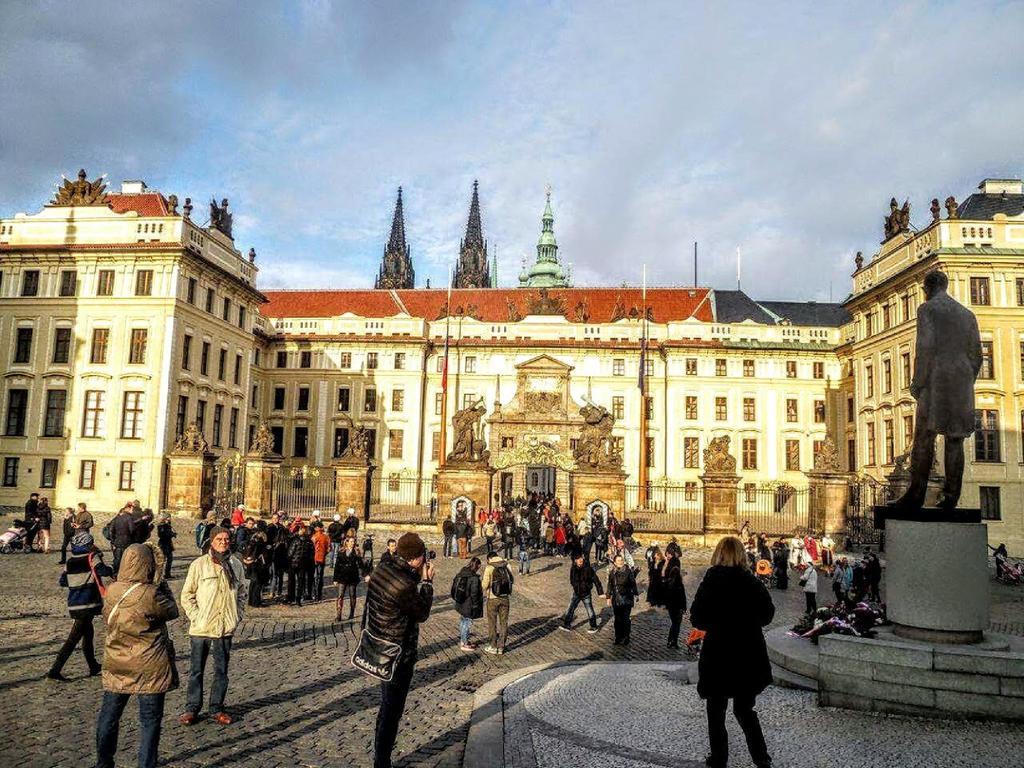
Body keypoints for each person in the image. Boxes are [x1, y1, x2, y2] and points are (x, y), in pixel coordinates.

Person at [689, 536, 774, 768]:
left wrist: (717, 622)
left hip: (719, 654)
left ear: (719, 554)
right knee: (745, 709)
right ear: (741, 556)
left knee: (716, 711)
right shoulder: (751, 582)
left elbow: (697, 617)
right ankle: (761, 758)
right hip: (748, 654)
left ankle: (719, 759)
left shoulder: (711, 581)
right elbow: (768, 615)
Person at [96, 544, 179, 768]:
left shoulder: (112, 590)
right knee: (149, 721)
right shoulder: (151, 594)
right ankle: (146, 764)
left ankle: (103, 762)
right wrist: (161, 581)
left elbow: (106, 617)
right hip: (149, 664)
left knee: (109, 716)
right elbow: (172, 610)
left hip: (117, 661)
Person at [365, 532, 434, 768]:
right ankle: (381, 762)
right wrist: (426, 583)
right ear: (415, 559)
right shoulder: (405, 585)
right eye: (422, 557)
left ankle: (379, 757)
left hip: (379, 645)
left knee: (386, 706)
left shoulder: (383, 569)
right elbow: (422, 613)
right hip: (397, 654)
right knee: (392, 711)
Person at [179, 526, 245, 726]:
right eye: (219, 539)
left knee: (221, 671)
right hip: (201, 628)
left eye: (226, 539)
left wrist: (237, 616)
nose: (224, 542)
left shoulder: (236, 565)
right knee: (196, 670)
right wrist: (196, 617)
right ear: (211, 541)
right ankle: (192, 708)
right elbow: (186, 595)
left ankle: (216, 707)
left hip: (224, 627)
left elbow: (242, 593)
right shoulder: (199, 565)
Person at [48, 532, 112, 680]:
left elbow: (63, 582)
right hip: (87, 602)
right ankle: (55, 670)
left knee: (88, 634)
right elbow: (103, 571)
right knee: (73, 638)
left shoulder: (70, 561)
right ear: (88, 544)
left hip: (74, 602)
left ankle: (93, 665)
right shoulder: (92, 557)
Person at [559, 552, 603, 633]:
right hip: (577, 593)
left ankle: (593, 626)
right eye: (578, 559)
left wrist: (600, 592)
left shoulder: (588, 568)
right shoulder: (573, 568)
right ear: (575, 560)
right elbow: (571, 579)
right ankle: (567, 624)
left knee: (589, 609)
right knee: (571, 608)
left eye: (581, 558)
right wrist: (575, 586)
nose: (580, 560)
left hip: (586, 593)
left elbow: (596, 580)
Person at [481, 551, 514, 654]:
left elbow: (484, 585)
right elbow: (511, 580)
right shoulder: (507, 565)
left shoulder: (489, 567)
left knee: (492, 622)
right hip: (505, 598)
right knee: (504, 622)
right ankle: (501, 647)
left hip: (493, 598)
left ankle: (493, 646)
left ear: (489, 559)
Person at [606, 554, 639, 645]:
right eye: (618, 560)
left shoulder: (628, 571)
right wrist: (608, 597)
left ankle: (626, 637)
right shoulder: (612, 572)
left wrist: (636, 594)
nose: (620, 562)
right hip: (616, 599)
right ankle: (618, 637)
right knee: (617, 619)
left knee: (625, 619)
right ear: (615, 562)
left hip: (627, 598)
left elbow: (633, 583)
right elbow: (610, 585)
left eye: (621, 560)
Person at [452, 556, 483, 651]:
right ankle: (464, 644)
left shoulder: (461, 573)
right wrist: (476, 605)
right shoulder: (474, 578)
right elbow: (474, 593)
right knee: (467, 623)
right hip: (468, 605)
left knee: (463, 621)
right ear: (477, 566)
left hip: (460, 602)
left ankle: (463, 640)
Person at [333, 536, 367, 621]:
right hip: (342, 577)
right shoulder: (341, 551)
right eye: (351, 542)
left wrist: (365, 574)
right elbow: (337, 566)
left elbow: (361, 565)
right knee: (340, 596)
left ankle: (351, 613)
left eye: (353, 542)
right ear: (347, 542)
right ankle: (338, 615)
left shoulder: (356, 552)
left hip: (352, 577)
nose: (352, 543)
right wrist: (335, 579)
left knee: (352, 595)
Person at [662, 548, 687, 649]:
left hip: (671, 608)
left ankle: (670, 641)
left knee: (674, 624)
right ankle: (674, 641)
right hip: (678, 608)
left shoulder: (668, 584)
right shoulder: (679, 585)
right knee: (676, 625)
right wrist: (684, 608)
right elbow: (683, 598)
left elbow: (666, 596)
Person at [242, 521, 269, 608]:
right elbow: (258, 551)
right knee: (258, 583)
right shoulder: (261, 538)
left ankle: (251, 601)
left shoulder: (253, 536)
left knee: (253, 582)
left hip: (252, 562)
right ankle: (256, 602)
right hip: (258, 562)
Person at [286, 525, 314, 606]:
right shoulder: (309, 541)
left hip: (293, 563)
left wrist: (289, 560)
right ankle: (298, 599)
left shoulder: (295, 540)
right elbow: (311, 554)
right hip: (303, 564)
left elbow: (290, 553)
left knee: (291, 581)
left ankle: (291, 598)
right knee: (300, 582)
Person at [109, 506, 135, 575]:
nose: (132, 511)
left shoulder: (116, 519)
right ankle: (124, 574)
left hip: (117, 542)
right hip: (127, 542)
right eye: (131, 509)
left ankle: (115, 573)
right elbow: (132, 530)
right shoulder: (129, 518)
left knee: (117, 559)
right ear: (127, 510)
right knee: (126, 559)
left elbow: (111, 531)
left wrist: (113, 541)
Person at [311, 523, 331, 601]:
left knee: (313, 577)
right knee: (320, 577)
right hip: (322, 558)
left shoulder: (313, 537)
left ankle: (314, 593)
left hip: (314, 558)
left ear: (316, 528)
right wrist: (324, 553)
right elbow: (329, 549)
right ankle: (319, 595)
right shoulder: (326, 537)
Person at [156, 513, 176, 580]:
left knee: (170, 559)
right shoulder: (161, 525)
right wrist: (171, 534)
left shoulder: (168, 525)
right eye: (169, 517)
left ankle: (167, 574)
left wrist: (173, 534)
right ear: (165, 518)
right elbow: (161, 535)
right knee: (162, 560)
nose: (170, 518)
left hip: (168, 544)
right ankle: (159, 575)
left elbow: (170, 532)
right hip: (163, 544)